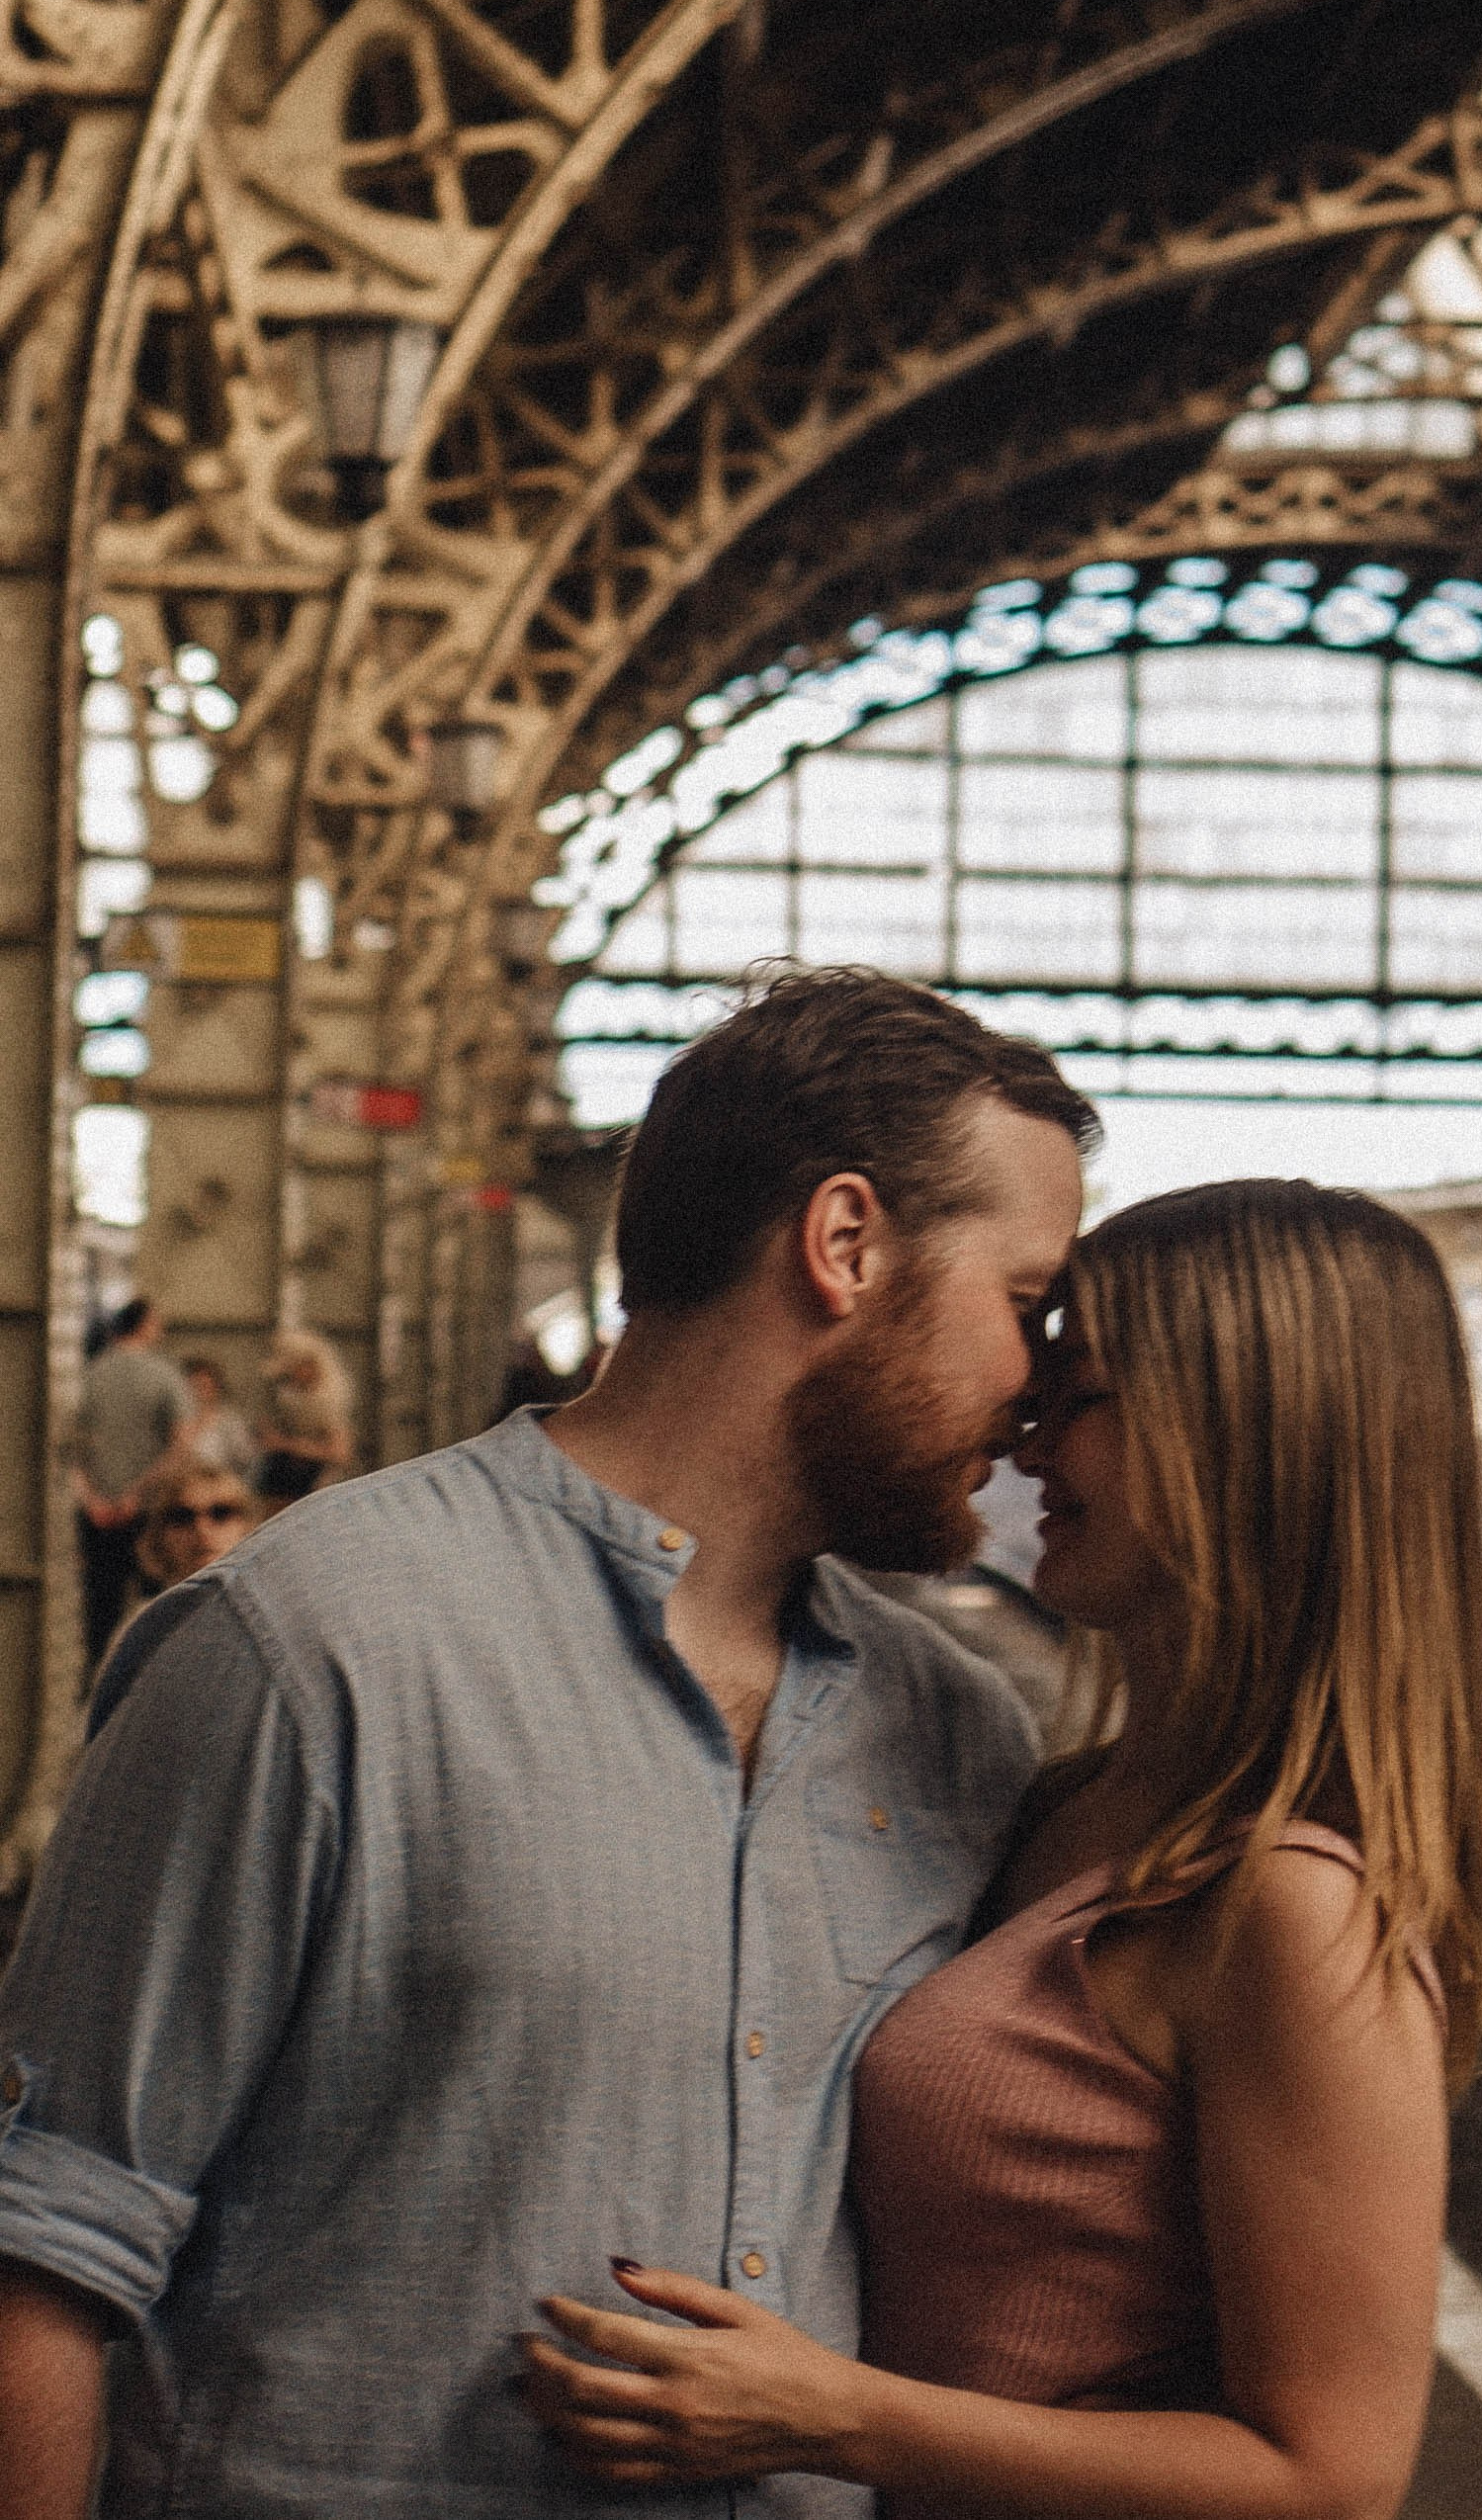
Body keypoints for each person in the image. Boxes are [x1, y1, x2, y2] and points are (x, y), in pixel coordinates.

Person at [0, 966, 1094, 2520]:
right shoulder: (311, 1644)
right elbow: (46, 2245)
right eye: (1026, 1302)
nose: (1036, 1381)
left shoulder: (959, 1730)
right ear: (844, 1242)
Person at [523, 1178, 1482, 2520]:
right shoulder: (1061, 1804)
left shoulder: (1286, 1904)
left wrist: (831, 2411)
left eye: (1081, 1393)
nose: (1029, 1439)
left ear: (1245, 1436)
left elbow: (1328, 2474)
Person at [68, 1302, 189, 1685]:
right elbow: (180, 1446)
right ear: (145, 1325)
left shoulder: (87, 1376)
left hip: (96, 1514)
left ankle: (95, 1685)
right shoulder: (165, 1375)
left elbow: (68, 1449)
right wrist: (137, 1496)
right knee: (157, 1600)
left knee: (100, 1606)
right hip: (147, 1510)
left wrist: (93, 1500)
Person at [110, 1456, 258, 1652]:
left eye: (220, 1513)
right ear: (159, 1535)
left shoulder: (266, 1612)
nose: (202, 1529)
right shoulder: (144, 1626)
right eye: (182, 1516)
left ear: (247, 1526)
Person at [253, 1323, 355, 1505]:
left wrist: (284, 1444)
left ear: (308, 1366)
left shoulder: (325, 1402)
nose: (287, 1378)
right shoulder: (294, 1397)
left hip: (316, 1485)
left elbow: (340, 1453)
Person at [177, 1357, 259, 1483]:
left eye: (204, 1386)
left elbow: (247, 1459)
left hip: (220, 1483)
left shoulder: (230, 1422)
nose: (198, 1392)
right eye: (193, 1386)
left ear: (215, 1389)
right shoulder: (177, 1421)